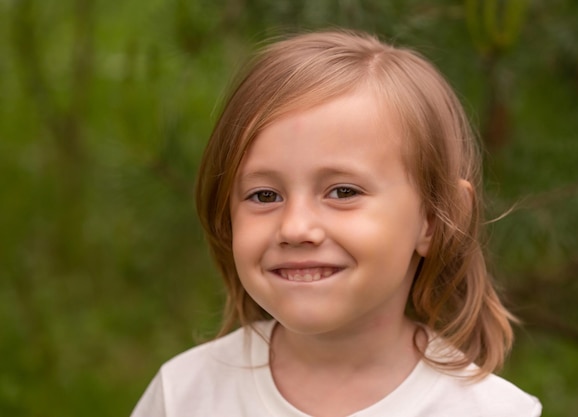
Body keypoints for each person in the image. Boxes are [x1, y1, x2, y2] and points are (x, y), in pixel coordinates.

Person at [130, 30, 542, 417]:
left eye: (343, 192)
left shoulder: (491, 411)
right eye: (264, 196)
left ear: (434, 219)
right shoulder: (184, 395)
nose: (295, 228)